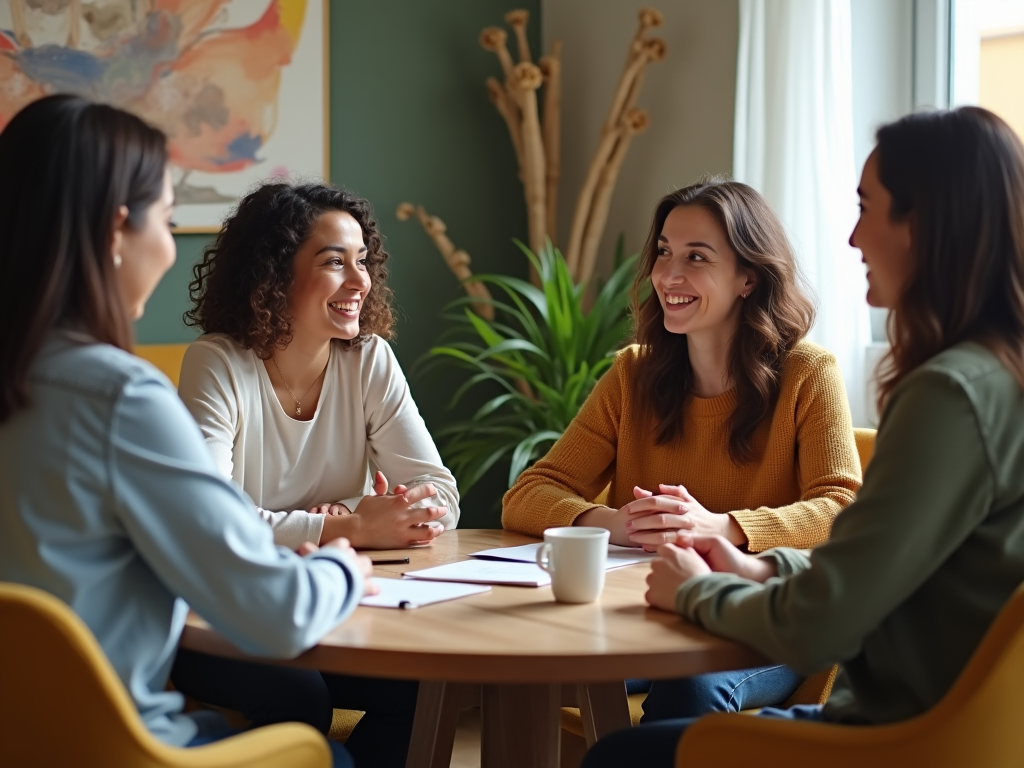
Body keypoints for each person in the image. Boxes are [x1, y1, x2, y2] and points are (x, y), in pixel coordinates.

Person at [583, 106, 1024, 767]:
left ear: (925, 223)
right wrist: (761, 566)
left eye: (866, 207)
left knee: (619, 757)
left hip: (901, 738)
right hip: (970, 728)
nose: (852, 237)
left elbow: (825, 624)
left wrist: (697, 588)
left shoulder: (949, 395)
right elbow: (878, 571)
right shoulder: (998, 377)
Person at [0, 95, 367, 767]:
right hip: (117, 749)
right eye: (167, 221)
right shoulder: (117, 397)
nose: (170, 248)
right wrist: (343, 566)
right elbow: (271, 611)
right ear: (117, 231)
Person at [503, 178, 862, 717]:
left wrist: (724, 528)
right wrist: (618, 523)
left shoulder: (808, 374)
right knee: (529, 663)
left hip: (760, 620)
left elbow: (844, 508)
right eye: (665, 252)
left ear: (748, 277)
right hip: (649, 610)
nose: (669, 275)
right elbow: (528, 493)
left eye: (697, 257)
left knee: (691, 686)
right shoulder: (632, 374)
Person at [171, 181, 458, 767]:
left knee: (421, 689)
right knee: (299, 697)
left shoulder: (369, 359)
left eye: (363, 261)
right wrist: (339, 528)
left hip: (329, 604)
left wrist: (395, 515)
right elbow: (210, 524)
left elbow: (444, 496)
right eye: (334, 262)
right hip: (219, 611)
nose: (360, 282)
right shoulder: (218, 363)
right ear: (274, 274)